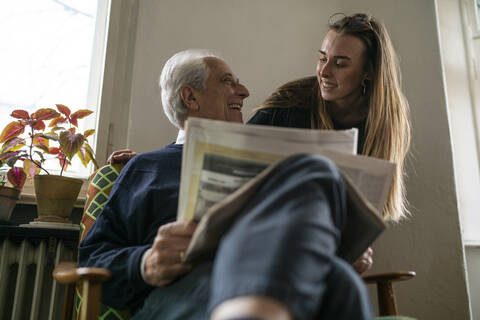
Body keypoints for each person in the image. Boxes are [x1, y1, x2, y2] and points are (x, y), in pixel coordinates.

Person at [79, 48, 374, 320]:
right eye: (228, 82)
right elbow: (93, 257)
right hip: (186, 289)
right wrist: (145, 263)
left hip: (280, 278)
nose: (244, 92)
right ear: (190, 98)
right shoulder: (145, 168)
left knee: (339, 274)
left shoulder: (272, 167)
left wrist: (344, 248)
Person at [248, 13, 411, 222]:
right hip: (270, 223)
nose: (324, 71)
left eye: (340, 64)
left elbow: (373, 209)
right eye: (323, 58)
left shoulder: (387, 115)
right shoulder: (288, 103)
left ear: (368, 72)